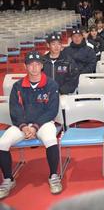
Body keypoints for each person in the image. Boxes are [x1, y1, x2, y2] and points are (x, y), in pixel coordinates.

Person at [0, 51, 62, 199]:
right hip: (22, 125)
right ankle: (8, 179)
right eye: (30, 65)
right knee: (2, 143)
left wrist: (35, 126)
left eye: (37, 64)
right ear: (25, 66)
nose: (34, 68)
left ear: (42, 66)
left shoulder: (51, 84)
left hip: (44, 123)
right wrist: (23, 126)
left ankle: (54, 175)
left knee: (51, 139)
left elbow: (52, 110)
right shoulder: (18, 86)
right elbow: (15, 110)